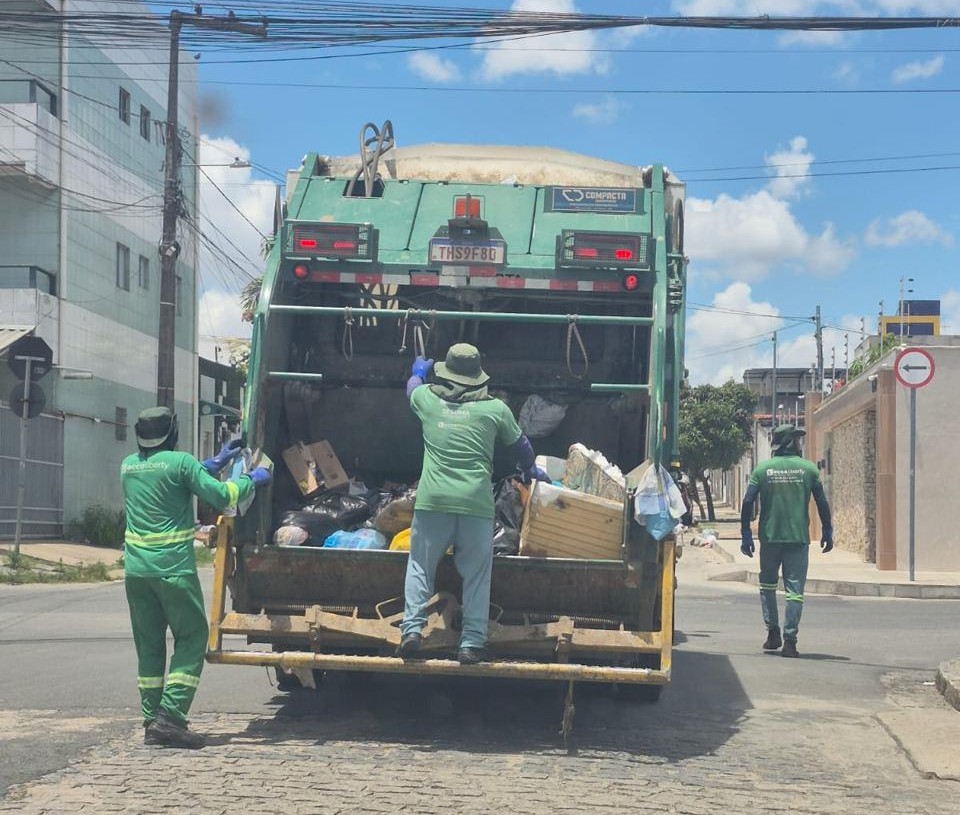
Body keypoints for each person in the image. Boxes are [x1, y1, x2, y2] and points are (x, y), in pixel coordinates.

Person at [121, 407, 272, 748]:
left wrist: (212, 464)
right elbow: (222, 496)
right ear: (172, 434)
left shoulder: (128, 465)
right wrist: (251, 479)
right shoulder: (182, 462)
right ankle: (171, 715)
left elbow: (168, 479)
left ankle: (151, 718)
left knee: (149, 645)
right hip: (172, 569)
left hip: (136, 571)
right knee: (192, 635)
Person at [398, 344, 548, 665]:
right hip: (476, 504)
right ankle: (472, 642)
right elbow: (522, 445)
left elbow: (411, 389)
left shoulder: (428, 400)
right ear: (479, 377)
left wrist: (417, 371)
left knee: (421, 566)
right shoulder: (495, 409)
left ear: (445, 372)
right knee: (477, 574)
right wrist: (529, 469)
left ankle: (411, 630)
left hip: (433, 502)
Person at [740, 424, 833, 658]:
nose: (800, 444)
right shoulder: (809, 470)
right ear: (790, 442)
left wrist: (745, 534)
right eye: (797, 440)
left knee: (768, 586)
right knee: (795, 591)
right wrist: (828, 530)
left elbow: (748, 502)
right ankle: (790, 641)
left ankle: (773, 633)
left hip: (770, 538)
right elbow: (822, 502)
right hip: (798, 539)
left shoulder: (763, 470)